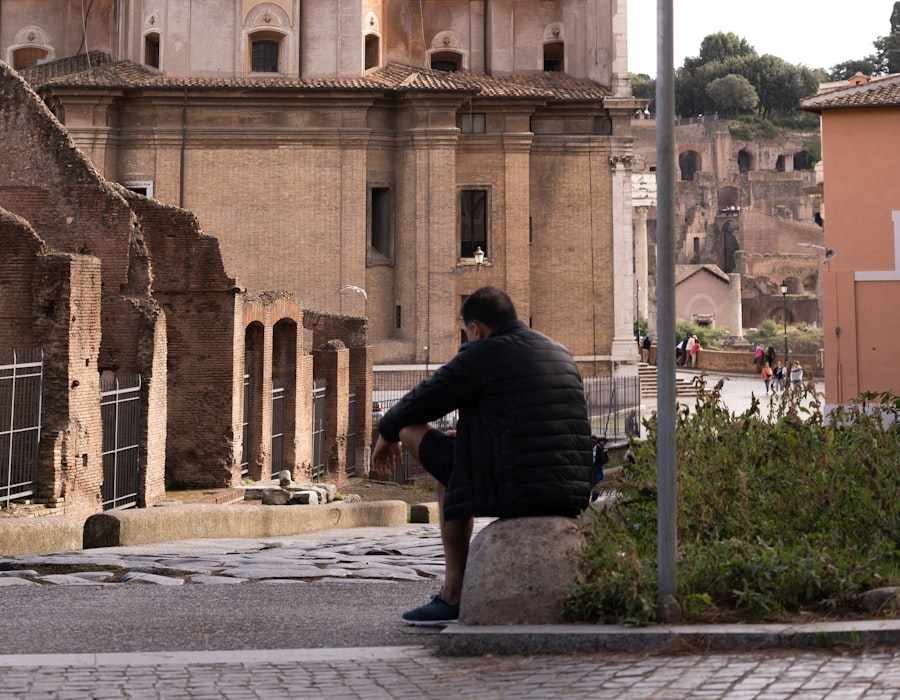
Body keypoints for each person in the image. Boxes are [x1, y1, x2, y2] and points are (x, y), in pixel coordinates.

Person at [371, 286, 592, 626]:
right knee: (455, 456)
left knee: (418, 438)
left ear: (476, 329)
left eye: (468, 333)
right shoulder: (559, 351)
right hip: (573, 490)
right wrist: (474, 434)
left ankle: (452, 595)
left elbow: (418, 402)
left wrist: (387, 435)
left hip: (516, 487)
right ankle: (452, 593)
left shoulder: (483, 353)